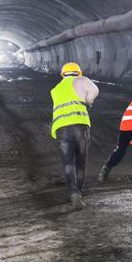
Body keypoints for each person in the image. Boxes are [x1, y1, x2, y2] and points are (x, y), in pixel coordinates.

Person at [50, 62, 98, 209]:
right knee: (80, 161)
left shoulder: (55, 89)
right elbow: (94, 91)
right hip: (80, 126)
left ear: (63, 74)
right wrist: (89, 100)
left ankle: (73, 194)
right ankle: (79, 192)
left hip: (61, 128)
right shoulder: (82, 80)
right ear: (79, 73)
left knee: (68, 162)